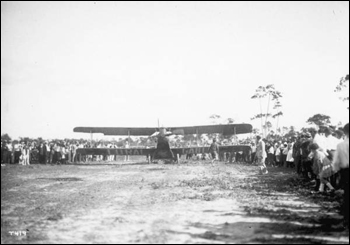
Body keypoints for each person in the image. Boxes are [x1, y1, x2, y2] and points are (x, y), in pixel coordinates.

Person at [332, 123, 349, 228]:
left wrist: (336, 170)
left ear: (345, 132)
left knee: (347, 194)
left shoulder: (341, 145)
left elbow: (336, 162)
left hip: (346, 171)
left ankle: (346, 219)